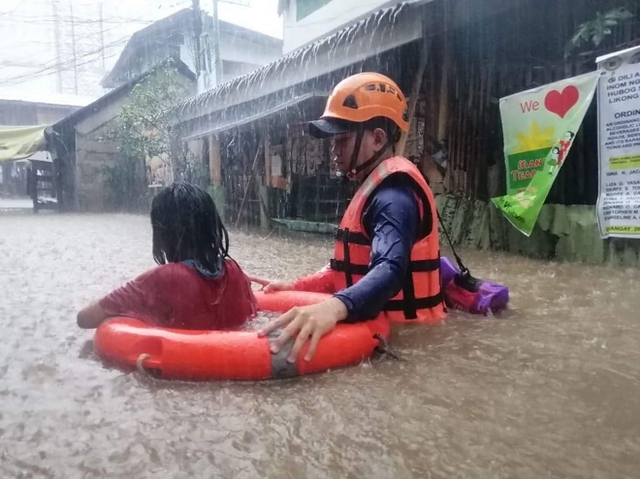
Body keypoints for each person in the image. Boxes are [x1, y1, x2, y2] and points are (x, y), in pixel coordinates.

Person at [250, 72, 445, 363]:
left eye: (341, 140)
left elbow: (390, 269)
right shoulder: (374, 187)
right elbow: (344, 271)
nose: (334, 151)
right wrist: (295, 287)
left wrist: (334, 308)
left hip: (409, 344)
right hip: (387, 331)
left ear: (377, 139)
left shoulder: (394, 197)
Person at [77, 182, 257, 330]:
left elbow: (85, 319)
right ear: (213, 226)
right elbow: (252, 313)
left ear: (162, 233)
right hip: (233, 360)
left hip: (184, 369)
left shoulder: (165, 278)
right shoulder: (234, 271)